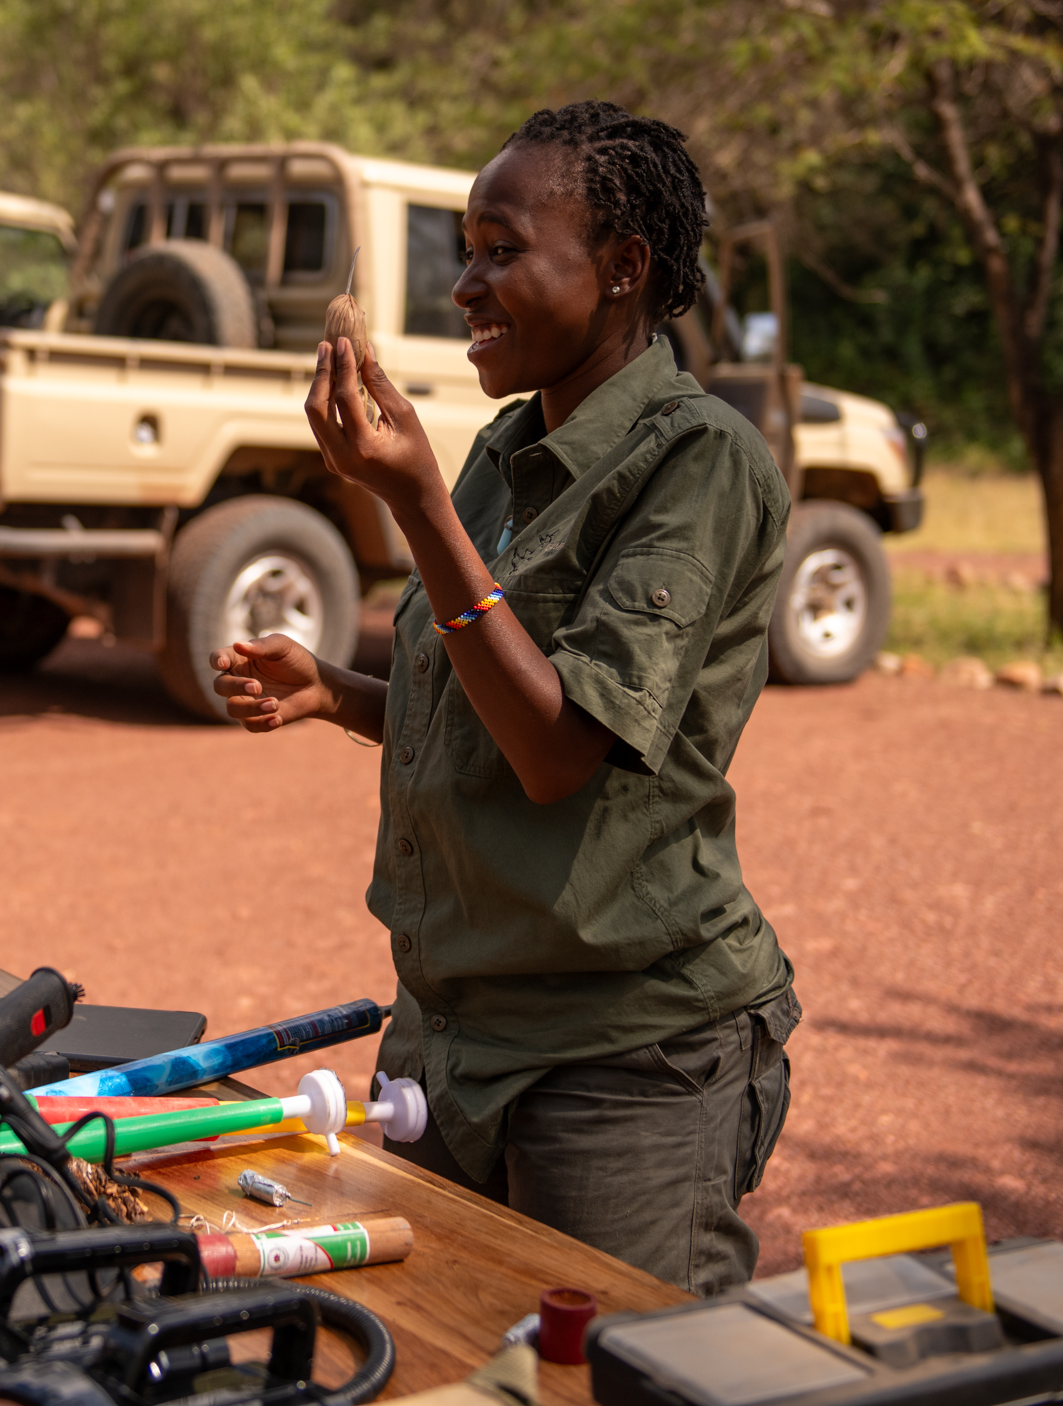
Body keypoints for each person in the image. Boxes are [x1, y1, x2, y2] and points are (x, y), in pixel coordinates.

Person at [209, 103, 799, 1294]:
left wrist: (416, 507)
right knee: (447, 1350)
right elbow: (478, 695)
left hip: (619, 1052)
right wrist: (339, 691)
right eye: (462, 254)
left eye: (500, 249)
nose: (466, 286)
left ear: (623, 268)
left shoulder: (700, 462)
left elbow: (560, 747)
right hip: (454, 1038)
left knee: (621, 1371)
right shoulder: (504, 447)